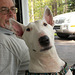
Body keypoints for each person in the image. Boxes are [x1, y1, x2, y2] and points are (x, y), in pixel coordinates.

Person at [0, 0, 30, 75]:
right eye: (4, 10)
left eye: (13, 9)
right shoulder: (3, 42)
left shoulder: (16, 32)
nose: (11, 14)